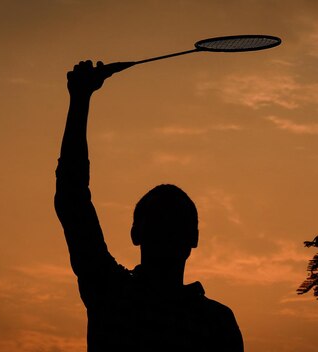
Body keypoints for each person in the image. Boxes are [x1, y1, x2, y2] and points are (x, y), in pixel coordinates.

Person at [55, 60, 244, 352]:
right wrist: (79, 100)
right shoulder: (214, 320)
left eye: (173, 222)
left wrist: (81, 99)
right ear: (194, 239)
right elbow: (72, 197)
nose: (167, 229)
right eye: (161, 221)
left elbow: (72, 198)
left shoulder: (110, 293)